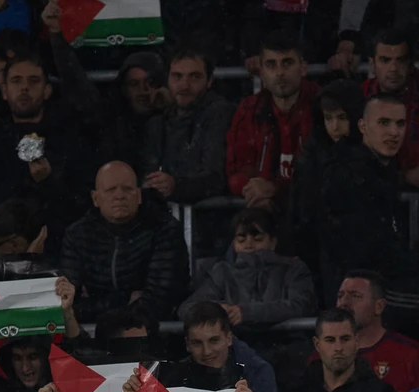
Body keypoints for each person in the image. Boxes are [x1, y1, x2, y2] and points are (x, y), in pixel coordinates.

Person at [0, 50, 95, 240]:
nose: (25, 88)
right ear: (4, 90)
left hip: (56, 246)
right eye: (16, 81)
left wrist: (49, 182)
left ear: (47, 90)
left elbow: (82, 206)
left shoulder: (71, 140)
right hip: (1, 249)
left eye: (34, 80)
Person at [304, 94, 410, 299]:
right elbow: (358, 250)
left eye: (400, 124)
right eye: (384, 123)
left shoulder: (380, 174)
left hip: (378, 287)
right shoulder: (344, 175)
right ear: (362, 126)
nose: (394, 132)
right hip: (361, 293)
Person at [60, 160, 190, 323]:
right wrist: (124, 300)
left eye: (127, 189)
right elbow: (69, 304)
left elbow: (160, 301)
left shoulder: (165, 230)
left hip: (153, 333)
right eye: (110, 190)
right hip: (94, 336)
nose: (119, 196)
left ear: (139, 195)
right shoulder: (77, 235)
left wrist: (95, 304)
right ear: (95, 198)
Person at [226, 32, 321, 212]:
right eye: (271, 65)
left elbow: (328, 174)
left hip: (316, 213)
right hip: (263, 212)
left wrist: (275, 190)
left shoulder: (323, 105)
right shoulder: (249, 110)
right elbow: (236, 172)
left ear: (303, 68)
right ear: (261, 73)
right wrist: (255, 192)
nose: (279, 73)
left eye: (287, 63)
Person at [179, 207, 314, 327]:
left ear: (273, 242)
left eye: (258, 239)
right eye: (241, 239)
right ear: (234, 243)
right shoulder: (222, 271)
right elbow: (187, 308)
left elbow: (301, 305)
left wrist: (245, 313)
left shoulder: (293, 268)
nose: (249, 244)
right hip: (234, 347)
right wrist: (217, 311)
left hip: (286, 345)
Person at [363, 26, 419, 193]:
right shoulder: (358, 98)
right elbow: (353, 168)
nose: (393, 69)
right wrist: (405, 177)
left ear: (411, 65)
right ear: (371, 65)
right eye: (385, 60)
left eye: (401, 60)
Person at [140, 47, 235, 205]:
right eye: (177, 76)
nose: (184, 85)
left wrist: (175, 186)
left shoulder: (220, 114)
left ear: (209, 80)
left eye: (194, 77)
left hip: (210, 216)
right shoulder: (157, 124)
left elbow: (216, 178)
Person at [338, 270, 419, 392]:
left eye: (355, 296)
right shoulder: (321, 357)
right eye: (340, 296)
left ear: (379, 306)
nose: (344, 303)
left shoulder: (411, 354)